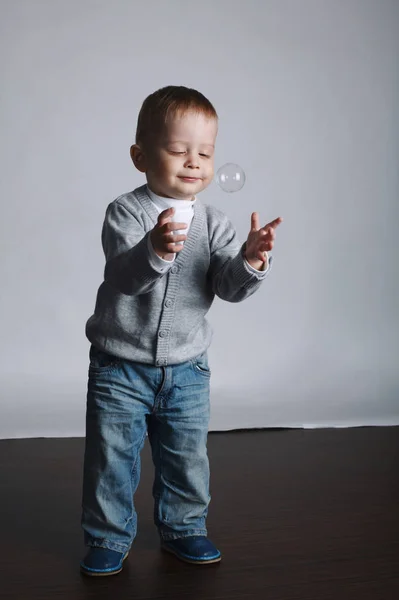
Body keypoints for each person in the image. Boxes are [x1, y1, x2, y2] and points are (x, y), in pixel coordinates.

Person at [80, 85, 283, 576]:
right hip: (120, 367)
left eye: (206, 153)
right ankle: (108, 536)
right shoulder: (126, 212)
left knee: (187, 457)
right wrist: (154, 248)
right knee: (112, 458)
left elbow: (227, 288)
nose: (193, 162)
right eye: (177, 150)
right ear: (140, 155)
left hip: (187, 369)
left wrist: (252, 260)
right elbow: (124, 277)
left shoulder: (215, 223)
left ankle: (184, 528)